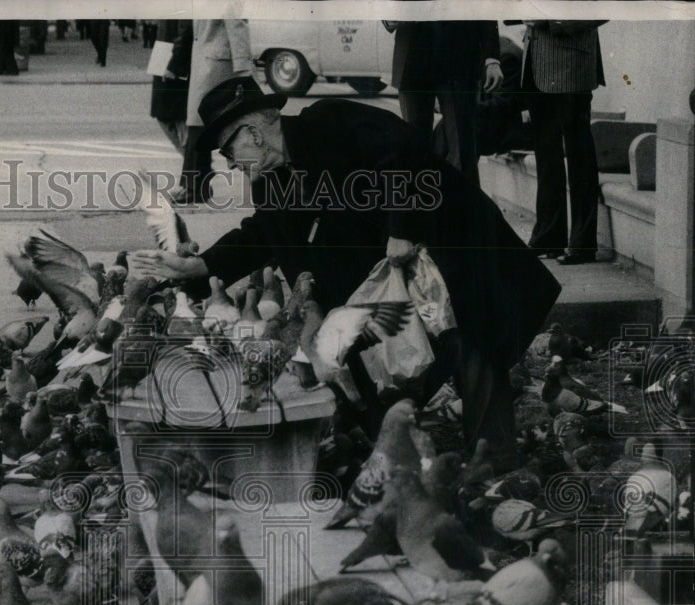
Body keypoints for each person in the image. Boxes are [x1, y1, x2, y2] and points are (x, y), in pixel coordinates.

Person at [131, 76, 562, 470]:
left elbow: (405, 150)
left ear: (254, 133)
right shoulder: (270, 180)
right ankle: (396, 465)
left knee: (472, 342)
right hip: (388, 282)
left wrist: (401, 229)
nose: (229, 163)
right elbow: (264, 233)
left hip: (450, 244)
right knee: (363, 359)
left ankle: (497, 465)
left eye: (227, 152)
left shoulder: (330, 120)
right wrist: (201, 265)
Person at [521, 20, 606, 265]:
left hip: (572, 63)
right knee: (546, 154)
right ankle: (548, 236)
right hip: (536, 59)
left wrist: (551, 22)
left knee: (578, 153)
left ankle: (583, 243)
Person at [386, 21, 503, 186]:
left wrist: (491, 58)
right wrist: (389, 15)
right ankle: (418, 208)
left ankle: (464, 210)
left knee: (462, 152)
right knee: (414, 150)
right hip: (413, 58)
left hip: (458, 56)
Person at [173, 19, 253, 204]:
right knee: (200, 127)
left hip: (218, 65)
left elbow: (237, 24)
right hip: (207, 61)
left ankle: (196, 186)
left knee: (204, 127)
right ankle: (195, 185)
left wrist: (243, 68)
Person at [150, 20, 192, 155]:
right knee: (168, 115)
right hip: (164, 54)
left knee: (175, 115)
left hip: (172, 58)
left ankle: (192, 162)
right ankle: (191, 161)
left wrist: (174, 66)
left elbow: (184, 32)